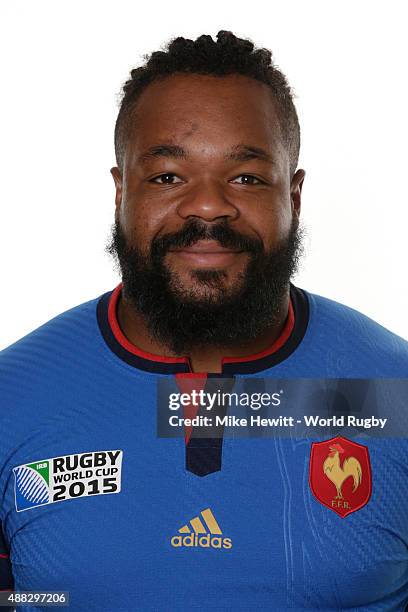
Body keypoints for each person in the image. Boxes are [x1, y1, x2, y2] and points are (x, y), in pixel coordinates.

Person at [1, 30, 408, 611]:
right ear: (121, 193)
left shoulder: (395, 391)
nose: (209, 205)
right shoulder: (12, 395)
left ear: (294, 195)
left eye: (246, 176)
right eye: (168, 176)